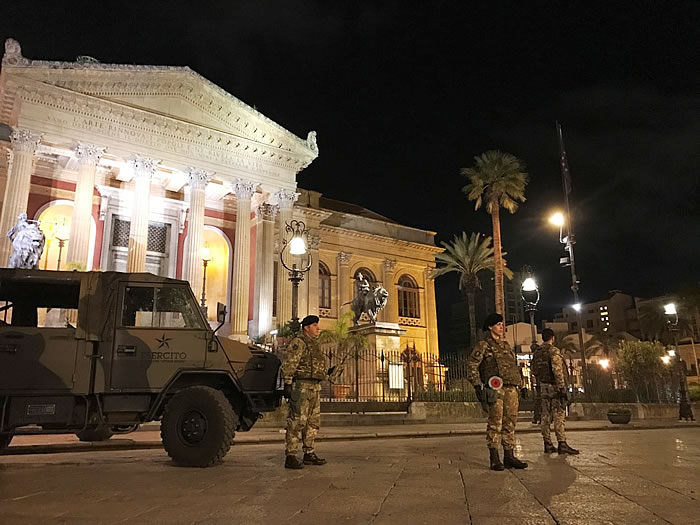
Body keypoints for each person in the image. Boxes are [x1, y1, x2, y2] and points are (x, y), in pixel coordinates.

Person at [467, 313, 528, 471]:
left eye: (502, 324)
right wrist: (477, 385)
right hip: (496, 389)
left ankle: (509, 455)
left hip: (511, 388)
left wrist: (522, 386)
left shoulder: (506, 345)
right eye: (498, 324)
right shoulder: (484, 345)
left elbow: (514, 367)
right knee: (495, 423)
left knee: (510, 422)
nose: (502, 327)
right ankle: (494, 457)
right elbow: (472, 365)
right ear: (490, 327)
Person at [281, 315, 339, 469]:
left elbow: (314, 367)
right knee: (297, 421)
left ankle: (309, 452)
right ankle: (291, 455)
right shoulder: (298, 342)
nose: (318, 328)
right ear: (306, 327)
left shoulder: (314, 344)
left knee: (313, 422)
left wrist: (327, 373)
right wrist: (287, 383)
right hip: (301, 386)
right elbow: (290, 363)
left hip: (315, 387)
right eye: (314, 325)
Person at [531, 328, 579, 455]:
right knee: (558, 415)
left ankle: (547, 443)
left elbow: (534, 370)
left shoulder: (537, 352)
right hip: (554, 388)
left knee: (545, 416)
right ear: (552, 338)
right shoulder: (553, 351)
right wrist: (562, 388)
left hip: (543, 387)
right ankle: (562, 443)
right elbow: (557, 370)